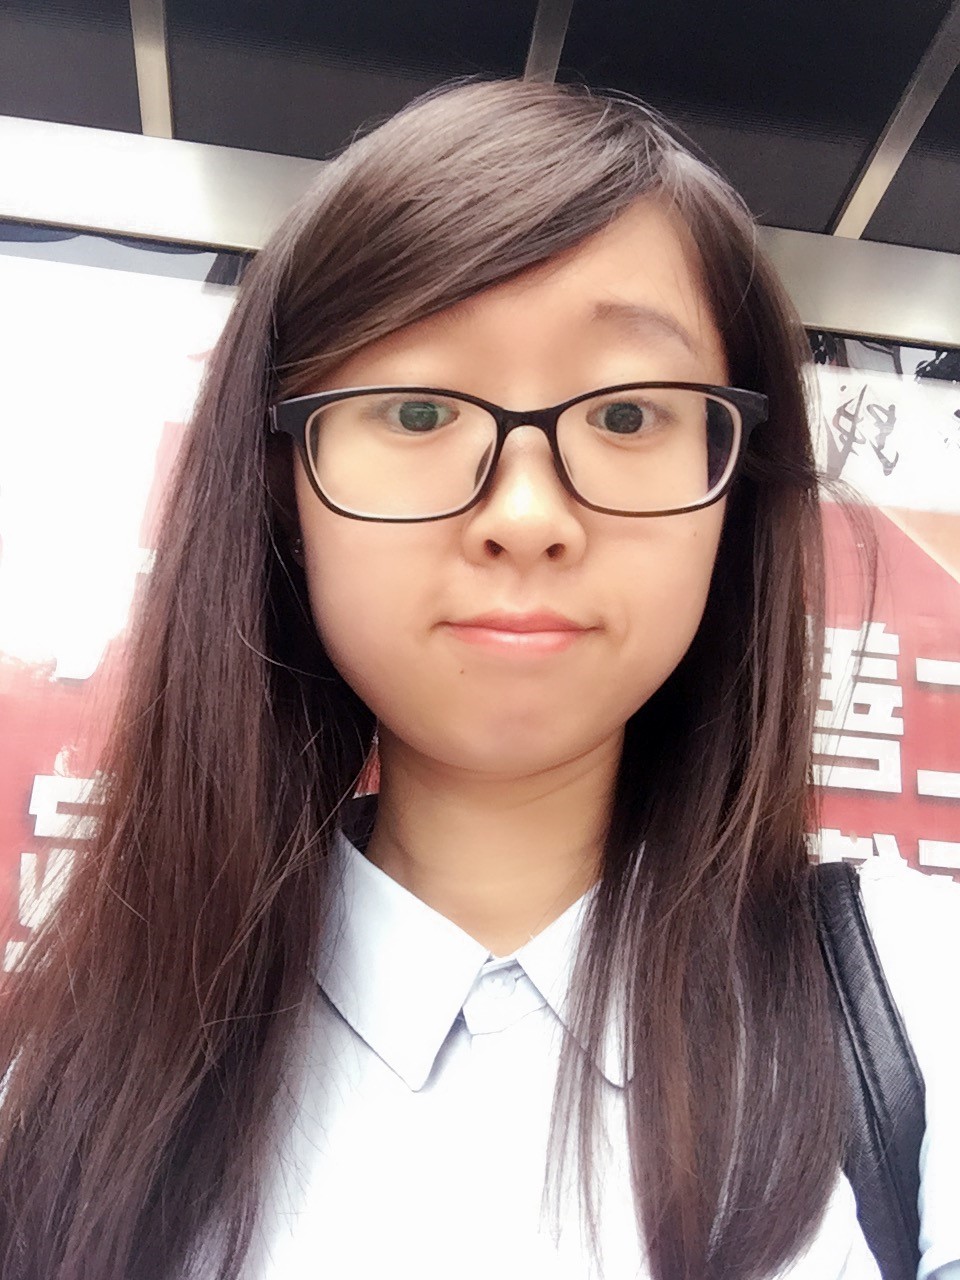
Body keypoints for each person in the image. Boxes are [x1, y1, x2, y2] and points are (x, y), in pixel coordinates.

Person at [0, 79, 957, 1280]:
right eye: (417, 409)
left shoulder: (917, 997)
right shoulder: (76, 1074)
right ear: (282, 485)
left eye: (626, 414)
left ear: (735, 486)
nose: (527, 513)